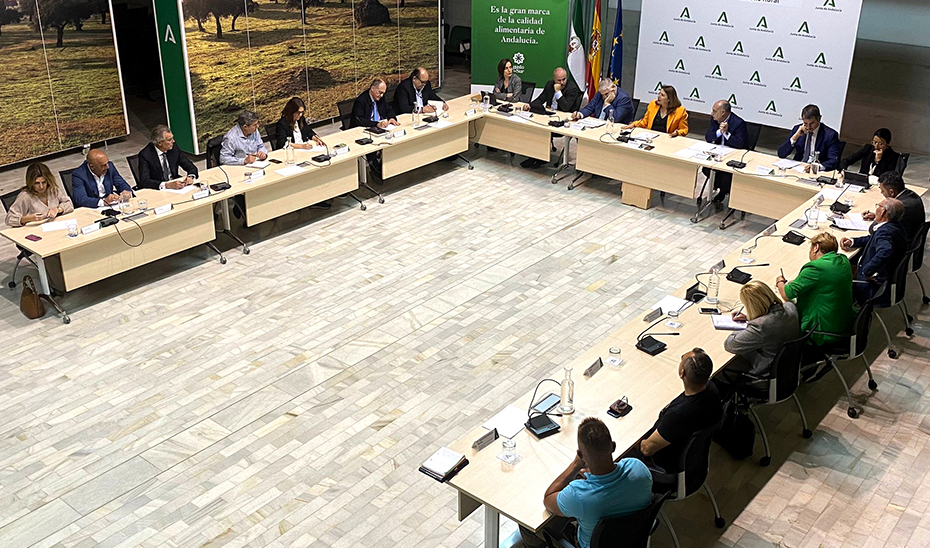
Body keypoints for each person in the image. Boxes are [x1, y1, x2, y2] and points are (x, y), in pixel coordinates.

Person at [520, 417, 652, 548]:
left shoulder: (578, 495)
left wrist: (575, 465)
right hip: (632, 539)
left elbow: (548, 499)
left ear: (580, 454)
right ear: (613, 446)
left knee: (528, 525)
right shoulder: (639, 469)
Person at [636, 348, 722, 492]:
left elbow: (646, 449)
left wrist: (638, 440)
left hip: (665, 470)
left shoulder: (679, 414)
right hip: (695, 465)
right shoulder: (711, 388)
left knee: (622, 451)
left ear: (682, 373)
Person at [775, 233, 855, 348]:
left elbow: (787, 294)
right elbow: (823, 280)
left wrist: (780, 282)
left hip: (822, 330)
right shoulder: (843, 260)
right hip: (844, 321)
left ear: (816, 248)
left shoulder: (815, 268)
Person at [722, 281, 800, 380]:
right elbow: (771, 323)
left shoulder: (760, 327)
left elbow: (730, 345)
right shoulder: (790, 307)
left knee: (722, 367)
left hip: (766, 373)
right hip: (789, 366)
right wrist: (750, 318)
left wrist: (749, 323)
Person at [841, 198, 908, 306]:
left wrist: (867, 271)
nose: (876, 209)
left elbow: (886, 251)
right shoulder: (895, 227)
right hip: (890, 281)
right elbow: (873, 239)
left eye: (878, 206)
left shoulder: (885, 233)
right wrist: (853, 242)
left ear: (883, 212)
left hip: (873, 285)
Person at [703, 99, 749, 204]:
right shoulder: (714, 120)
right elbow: (708, 137)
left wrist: (726, 134)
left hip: (735, 154)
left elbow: (740, 144)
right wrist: (719, 132)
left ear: (723, 112)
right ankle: (724, 189)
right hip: (719, 153)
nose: (712, 114)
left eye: (714, 111)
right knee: (706, 169)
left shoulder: (738, 123)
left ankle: (724, 191)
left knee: (725, 175)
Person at [861, 171, 925, 245]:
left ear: (892, 192)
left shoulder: (898, 207)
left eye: (882, 190)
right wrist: (877, 215)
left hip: (900, 244)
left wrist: (879, 218)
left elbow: (873, 230)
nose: (881, 193)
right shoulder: (910, 195)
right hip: (911, 235)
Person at [776, 104, 843, 173]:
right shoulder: (798, 129)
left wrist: (816, 167)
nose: (808, 127)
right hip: (799, 168)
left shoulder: (830, 135)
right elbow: (781, 154)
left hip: (817, 171)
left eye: (811, 123)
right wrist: (795, 137)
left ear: (819, 119)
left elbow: (834, 161)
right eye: (805, 123)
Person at [5, 163, 74, 227]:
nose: (41, 186)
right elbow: (9, 219)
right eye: (37, 183)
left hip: (55, 227)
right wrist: (27, 219)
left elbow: (69, 204)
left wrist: (58, 209)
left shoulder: (53, 190)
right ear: (31, 183)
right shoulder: (25, 196)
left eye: (44, 182)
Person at [137, 125, 199, 190]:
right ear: (159, 143)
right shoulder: (145, 155)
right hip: (157, 189)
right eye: (169, 140)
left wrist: (190, 177)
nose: (173, 141)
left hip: (175, 187)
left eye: (172, 138)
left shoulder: (173, 148)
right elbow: (144, 181)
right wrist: (166, 185)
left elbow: (190, 167)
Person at [622, 84, 688, 137]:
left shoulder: (680, 111)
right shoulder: (653, 105)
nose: (658, 96)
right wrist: (634, 124)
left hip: (667, 139)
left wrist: (677, 133)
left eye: (662, 95)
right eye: (659, 93)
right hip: (650, 137)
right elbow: (645, 122)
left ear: (669, 99)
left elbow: (684, 130)